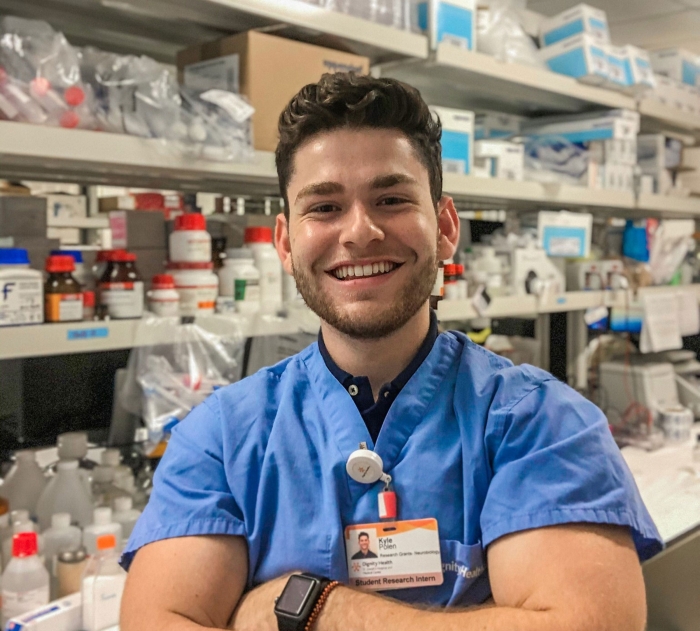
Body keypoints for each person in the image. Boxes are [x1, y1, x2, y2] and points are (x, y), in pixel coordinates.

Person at [121, 73, 662, 631]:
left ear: (445, 226)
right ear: (285, 243)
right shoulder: (220, 438)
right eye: (324, 207)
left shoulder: (541, 424)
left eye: (391, 199)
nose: (359, 232)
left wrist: (315, 608)